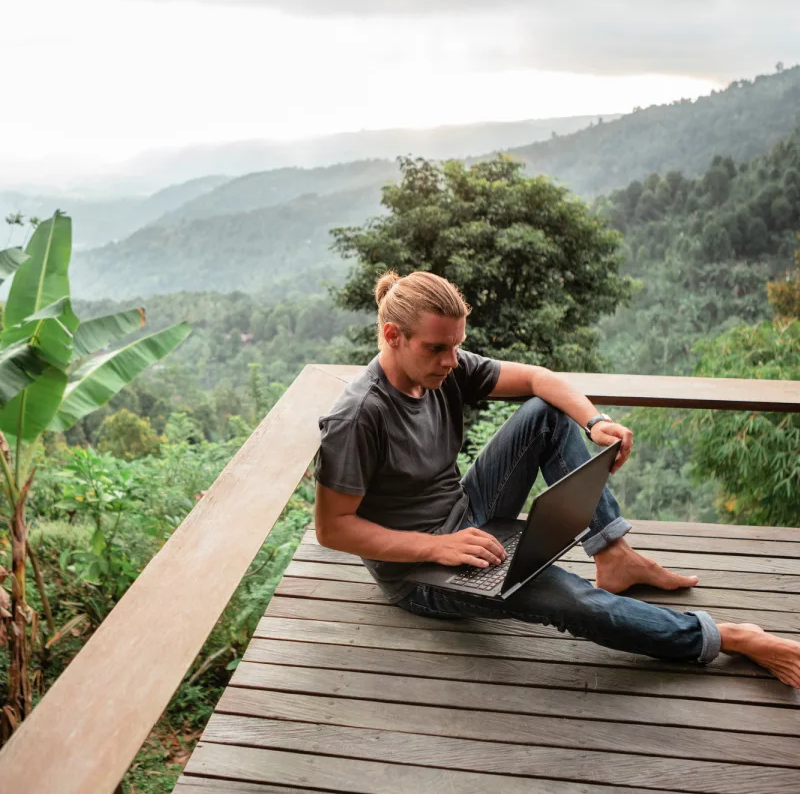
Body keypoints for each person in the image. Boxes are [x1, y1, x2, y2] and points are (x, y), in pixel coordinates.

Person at [313, 270, 800, 688]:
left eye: (458, 346)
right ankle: (727, 637)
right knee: (567, 598)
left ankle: (615, 555)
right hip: (417, 571)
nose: (452, 361)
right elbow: (334, 528)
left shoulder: (445, 368)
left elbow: (540, 379)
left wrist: (595, 422)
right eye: (438, 348)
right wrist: (436, 548)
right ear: (393, 335)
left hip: (464, 514)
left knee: (546, 412)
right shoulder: (358, 418)